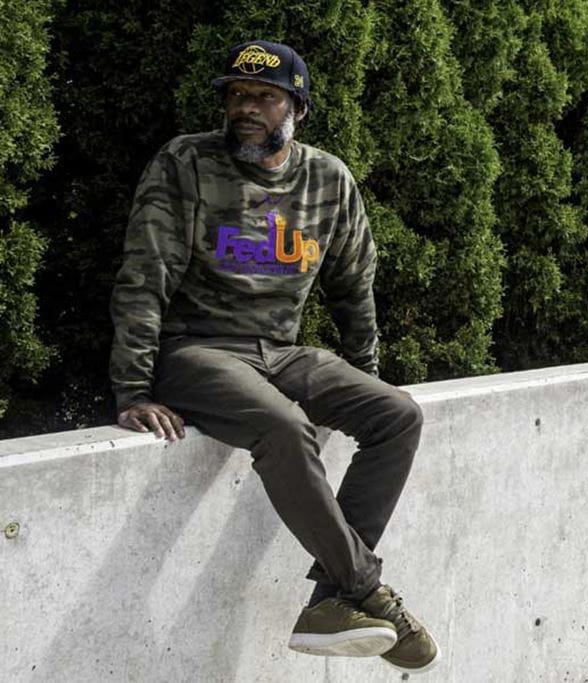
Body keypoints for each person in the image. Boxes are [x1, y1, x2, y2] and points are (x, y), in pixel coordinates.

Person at [108, 39, 439, 674]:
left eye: (265, 97)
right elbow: (144, 277)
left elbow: (353, 287)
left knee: (397, 414)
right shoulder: (186, 162)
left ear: (298, 109)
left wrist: (361, 380)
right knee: (284, 427)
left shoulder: (328, 179)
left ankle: (330, 602)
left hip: (281, 352)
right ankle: (369, 593)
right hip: (196, 350)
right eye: (237, 95)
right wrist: (133, 390)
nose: (247, 108)